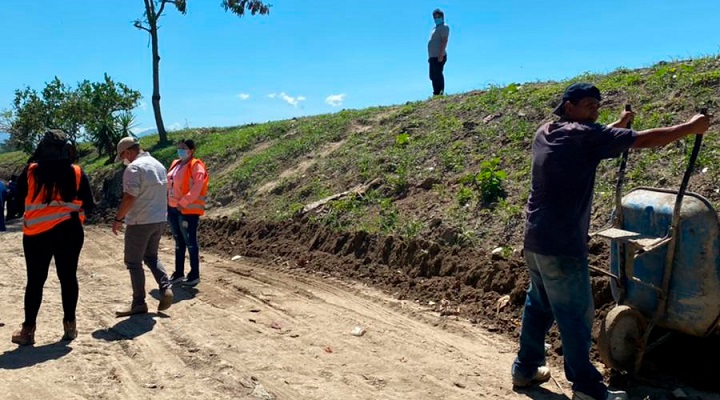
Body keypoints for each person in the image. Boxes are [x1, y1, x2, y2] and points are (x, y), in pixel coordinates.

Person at [511, 82, 711, 400]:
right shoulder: (585, 136)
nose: (595, 109)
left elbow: (596, 140)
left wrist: (617, 125)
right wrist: (690, 127)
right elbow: (644, 140)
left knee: (539, 305)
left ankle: (524, 369)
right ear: (568, 105)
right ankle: (588, 389)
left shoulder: (546, 131)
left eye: (597, 105)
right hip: (562, 245)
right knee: (576, 314)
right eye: (589, 104)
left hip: (535, 239)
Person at [11, 129, 95, 345]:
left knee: (35, 282)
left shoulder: (30, 172)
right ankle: (70, 326)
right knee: (68, 278)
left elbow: (17, 205)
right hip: (70, 232)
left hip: (36, 235)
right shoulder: (76, 172)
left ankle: (28, 330)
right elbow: (89, 204)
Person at [112, 137, 173, 317]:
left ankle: (139, 302)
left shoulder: (134, 168)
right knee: (151, 256)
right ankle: (166, 287)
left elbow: (130, 197)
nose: (124, 160)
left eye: (123, 156)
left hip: (139, 221)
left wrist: (118, 218)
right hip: (159, 219)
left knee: (133, 262)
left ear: (129, 152)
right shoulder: (158, 165)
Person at [167, 139, 209, 287]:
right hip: (172, 208)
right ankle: (178, 273)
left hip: (188, 210)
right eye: (179, 148)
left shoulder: (196, 165)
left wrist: (183, 202)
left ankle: (194, 275)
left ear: (192, 150)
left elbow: (198, 186)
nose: (180, 150)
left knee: (190, 243)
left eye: (184, 148)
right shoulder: (175, 164)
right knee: (179, 242)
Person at [428, 8, 449, 96]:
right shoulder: (435, 28)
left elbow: (444, 40)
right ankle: (435, 92)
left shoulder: (444, 27)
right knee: (432, 75)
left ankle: (439, 93)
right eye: (435, 17)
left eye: (438, 17)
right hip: (432, 56)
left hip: (439, 55)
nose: (436, 19)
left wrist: (441, 54)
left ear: (442, 17)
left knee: (438, 74)